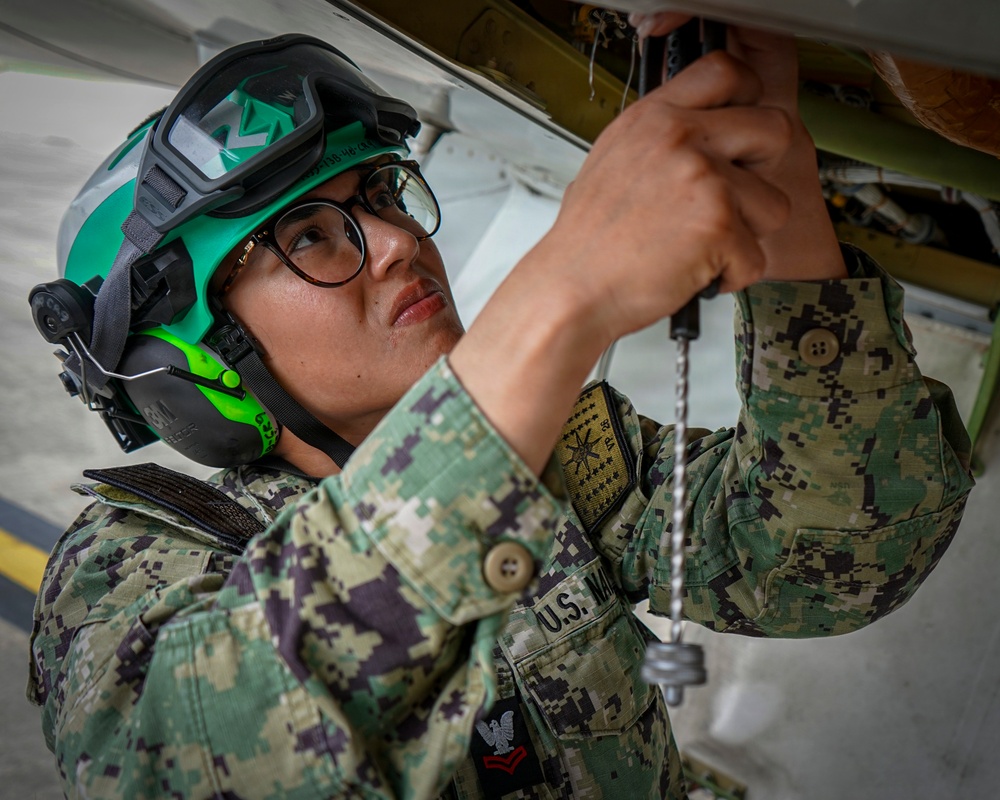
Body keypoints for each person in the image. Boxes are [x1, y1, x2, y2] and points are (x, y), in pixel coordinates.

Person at [27, 13, 974, 800]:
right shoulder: (131, 565)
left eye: (386, 195)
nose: (398, 243)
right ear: (196, 364)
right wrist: (564, 291)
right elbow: (191, 766)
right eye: (312, 236)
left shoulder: (558, 453)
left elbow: (841, 550)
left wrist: (776, 179)